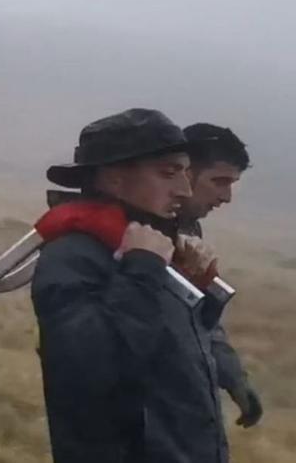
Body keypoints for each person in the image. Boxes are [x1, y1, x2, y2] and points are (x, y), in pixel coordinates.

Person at [32, 108, 228, 463]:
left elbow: (174, 356)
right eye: (169, 173)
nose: (184, 189)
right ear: (113, 179)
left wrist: (193, 284)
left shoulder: (154, 251)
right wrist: (143, 269)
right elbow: (90, 371)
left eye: (185, 172)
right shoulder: (74, 255)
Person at [177, 123, 262, 429]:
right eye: (219, 181)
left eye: (232, 184)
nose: (226, 197)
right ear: (184, 172)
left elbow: (200, 316)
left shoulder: (185, 230)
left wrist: (233, 377)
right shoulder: (132, 235)